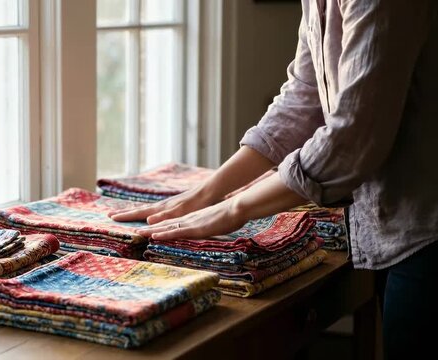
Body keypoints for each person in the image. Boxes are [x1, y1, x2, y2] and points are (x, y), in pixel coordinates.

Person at [109, 1, 438, 358]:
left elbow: (353, 138)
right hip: (396, 221)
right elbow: (303, 98)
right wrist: (208, 192)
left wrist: (235, 208)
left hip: (428, 227)